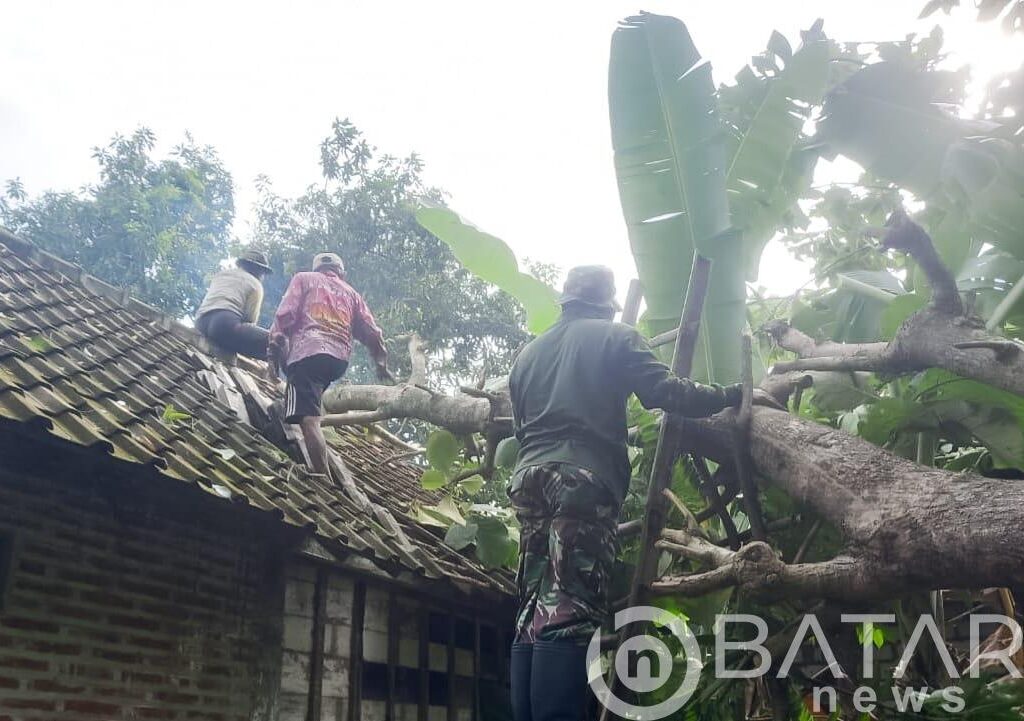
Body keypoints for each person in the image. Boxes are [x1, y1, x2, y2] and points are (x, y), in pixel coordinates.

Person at [507, 265, 776, 721]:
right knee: (569, 608)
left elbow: (519, 427)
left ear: (567, 300)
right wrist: (733, 392)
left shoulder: (527, 355)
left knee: (533, 605)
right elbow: (665, 392)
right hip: (583, 480)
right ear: (606, 304)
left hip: (528, 478)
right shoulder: (616, 338)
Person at [269, 252, 393, 476]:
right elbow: (372, 331)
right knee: (309, 400)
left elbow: (284, 316)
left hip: (307, 353)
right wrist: (380, 363)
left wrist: (273, 354)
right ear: (341, 272)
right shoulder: (352, 294)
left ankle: (321, 475)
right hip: (337, 361)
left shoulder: (304, 279)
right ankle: (296, 410)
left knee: (309, 418)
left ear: (316, 268)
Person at [195, 250, 272, 359]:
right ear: (258, 270)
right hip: (225, 325)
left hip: (201, 322)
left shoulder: (221, 275)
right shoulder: (255, 284)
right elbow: (250, 319)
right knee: (276, 341)